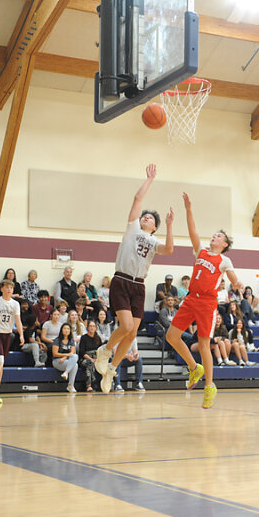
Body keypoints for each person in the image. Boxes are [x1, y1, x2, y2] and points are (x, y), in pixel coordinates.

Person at [94, 164, 174, 394]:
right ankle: (105, 350)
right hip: (121, 280)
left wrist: (170, 225)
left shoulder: (154, 242)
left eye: (150, 218)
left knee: (131, 334)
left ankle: (112, 369)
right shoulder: (132, 228)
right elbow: (137, 198)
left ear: (154, 227)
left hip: (139, 285)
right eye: (144, 216)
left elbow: (169, 249)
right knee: (127, 326)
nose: (146, 217)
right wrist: (149, 179)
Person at [165, 191, 243, 409]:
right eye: (214, 235)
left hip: (207, 303)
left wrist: (237, 283)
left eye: (218, 236)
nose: (214, 237)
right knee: (171, 336)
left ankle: (209, 386)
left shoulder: (224, 260)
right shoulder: (201, 251)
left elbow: (233, 278)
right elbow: (193, 231)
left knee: (203, 344)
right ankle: (194, 367)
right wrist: (188, 208)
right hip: (191, 299)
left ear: (225, 243)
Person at [52, 322, 78, 393]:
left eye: (68, 329)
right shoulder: (57, 340)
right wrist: (66, 356)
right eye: (65, 329)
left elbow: (72, 353)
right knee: (74, 364)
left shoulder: (71, 340)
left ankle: (67, 375)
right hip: (57, 361)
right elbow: (55, 354)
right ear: (61, 330)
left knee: (75, 358)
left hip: (67, 360)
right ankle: (70, 385)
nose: (66, 330)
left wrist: (65, 357)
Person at [79, 320, 103, 392]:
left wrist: (97, 359)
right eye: (90, 326)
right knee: (90, 363)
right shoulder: (84, 338)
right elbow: (82, 352)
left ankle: (107, 385)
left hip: (96, 358)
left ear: (96, 328)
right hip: (85, 358)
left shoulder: (98, 338)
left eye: (93, 326)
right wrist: (91, 359)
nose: (92, 328)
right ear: (87, 328)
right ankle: (89, 385)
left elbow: (101, 351)